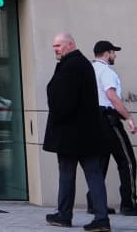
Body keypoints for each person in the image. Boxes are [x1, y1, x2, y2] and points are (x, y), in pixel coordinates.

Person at [44, 32, 111, 231]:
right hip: (86, 133)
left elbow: (63, 101)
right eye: (54, 46)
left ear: (70, 45)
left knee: (67, 173)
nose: (55, 49)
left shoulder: (71, 66)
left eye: (58, 46)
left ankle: (65, 215)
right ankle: (101, 217)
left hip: (71, 133)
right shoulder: (81, 64)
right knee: (93, 174)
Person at [86, 41, 137, 216]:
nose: (115, 55)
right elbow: (112, 96)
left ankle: (94, 203)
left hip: (93, 121)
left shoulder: (89, 70)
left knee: (100, 163)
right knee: (128, 162)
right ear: (107, 54)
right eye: (113, 52)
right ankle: (128, 204)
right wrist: (128, 118)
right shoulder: (107, 72)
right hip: (109, 120)